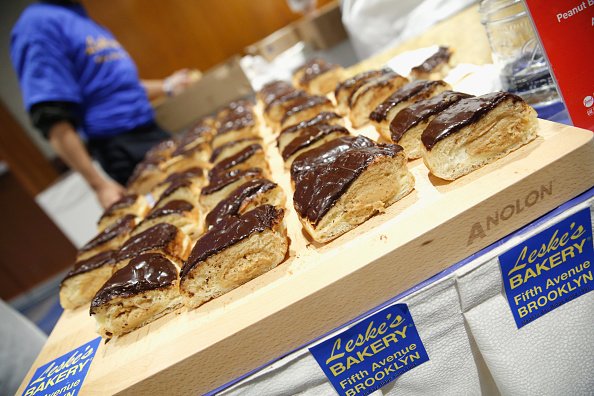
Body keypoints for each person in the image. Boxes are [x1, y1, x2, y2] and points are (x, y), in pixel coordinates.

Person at [10, 0, 196, 208]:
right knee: (176, 209)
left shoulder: (81, 18)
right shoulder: (37, 24)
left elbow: (116, 87)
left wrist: (167, 86)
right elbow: (51, 116)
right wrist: (99, 185)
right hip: (120, 146)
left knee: (198, 188)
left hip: (151, 130)